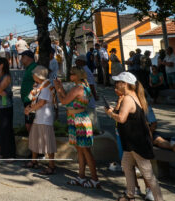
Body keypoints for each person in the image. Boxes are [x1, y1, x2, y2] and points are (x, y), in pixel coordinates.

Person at [106, 72, 165, 201]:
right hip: (131, 142)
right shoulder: (133, 96)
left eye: (118, 82)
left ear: (125, 84)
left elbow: (121, 118)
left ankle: (159, 199)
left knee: (148, 173)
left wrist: (110, 113)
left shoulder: (128, 98)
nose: (116, 84)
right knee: (126, 165)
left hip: (137, 142)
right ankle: (130, 195)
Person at [54, 67, 101, 189]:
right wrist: (60, 88)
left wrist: (58, 90)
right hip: (78, 118)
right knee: (80, 149)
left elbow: (64, 101)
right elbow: (68, 98)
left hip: (78, 120)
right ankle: (81, 176)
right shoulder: (83, 87)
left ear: (78, 75)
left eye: (72, 74)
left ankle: (95, 179)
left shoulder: (78, 88)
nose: (70, 75)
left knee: (85, 150)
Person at [24, 65, 57, 174]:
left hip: (45, 119)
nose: (32, 75)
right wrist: (29, 107)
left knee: (48, 142)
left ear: (38, 76)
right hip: (39, 118)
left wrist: (30, 109)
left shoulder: (46, 87)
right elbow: (36, 101)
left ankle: (51, 166)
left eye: (34, 74)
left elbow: (41, 102)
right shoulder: (39, 86)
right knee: (35, 139)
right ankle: (34, 161)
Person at [0, 56, 15, 158]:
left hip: (5, 106)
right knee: (0, 130)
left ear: (2, 65)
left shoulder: (6, 77)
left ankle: (9, 153)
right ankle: (3, 151)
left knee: (6, 130)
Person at [19, 49, 37, 132]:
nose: (21, 59)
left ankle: (33, 140)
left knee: (30, 125)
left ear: (29, 58)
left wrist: (31, 97)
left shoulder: (34, 67)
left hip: (31, 100)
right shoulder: (28, 68)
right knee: (29, 124)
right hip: (27, 100)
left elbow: (38, 84)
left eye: (23, 57)